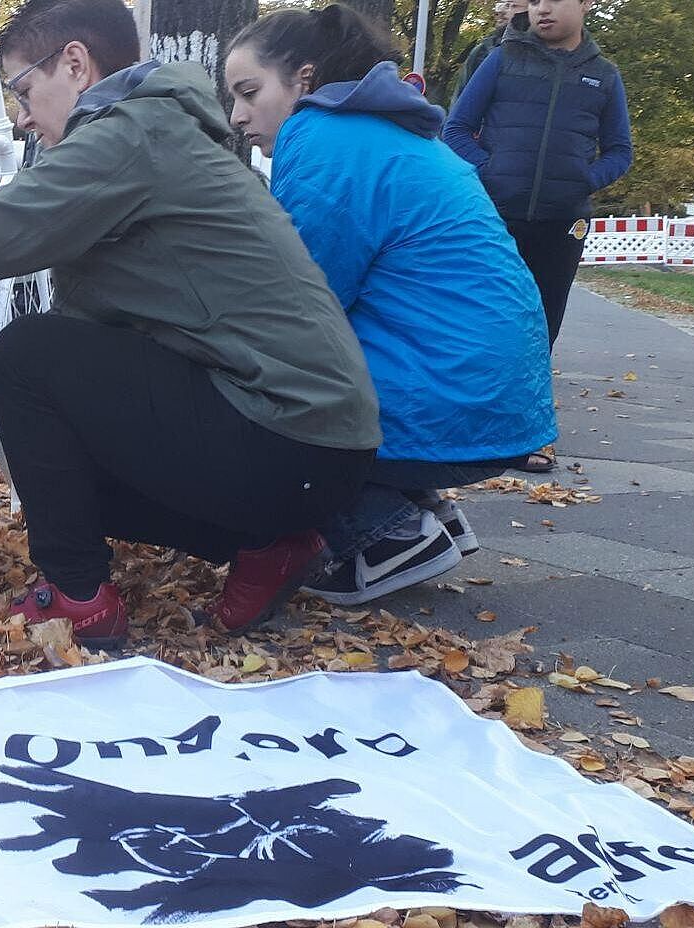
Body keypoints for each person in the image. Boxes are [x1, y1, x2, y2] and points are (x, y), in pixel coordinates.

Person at [0, 0, 381, 646]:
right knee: (63, 453)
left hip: (285, 435)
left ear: (75, 64)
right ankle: (268, 544)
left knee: (30, 352)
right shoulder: (157, 133)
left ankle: (79, 598)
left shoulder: (126, 136)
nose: (20, 116)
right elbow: (92, 353)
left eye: (24, 89)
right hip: (316, 449)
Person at [224, 4, 556, 605]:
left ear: (303, 78)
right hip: (492, 397)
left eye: (249, 92)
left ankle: (384, 533)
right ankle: (421, 508)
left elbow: (305, 299)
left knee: (246, 383)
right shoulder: (388, 132)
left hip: (452, 398)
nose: (238, 115)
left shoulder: (323, 137)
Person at [442, 0, 633, 352]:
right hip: (496, 217)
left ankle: (526, 401)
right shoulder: (501, 60)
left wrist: (583, 181)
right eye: (533, 1)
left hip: (561, 224)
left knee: (542, 329)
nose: (542, 9)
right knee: (482, 321)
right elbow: (455, 129)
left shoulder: (604, 76)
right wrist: (490, 171)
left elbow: (620, 151)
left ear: (586, 4)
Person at [450, 0, 526, 107]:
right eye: (499, 5)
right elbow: (460, 102)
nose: (500, 12)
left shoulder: (543, 51)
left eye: (509, 5)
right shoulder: (481, 52)